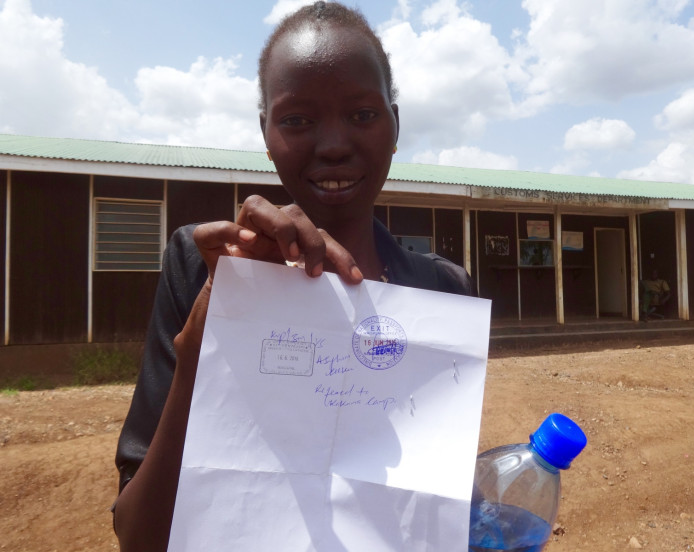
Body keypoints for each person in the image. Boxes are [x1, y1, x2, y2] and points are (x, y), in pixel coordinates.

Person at [112, 3, 474, 550]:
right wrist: (210, 335)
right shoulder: (207, 265)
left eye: (362, 114)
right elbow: (138, 537)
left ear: (395, 125)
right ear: (267, 132)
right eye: (298, 120)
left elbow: (431, 513)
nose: (332, 144)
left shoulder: (442, 292)